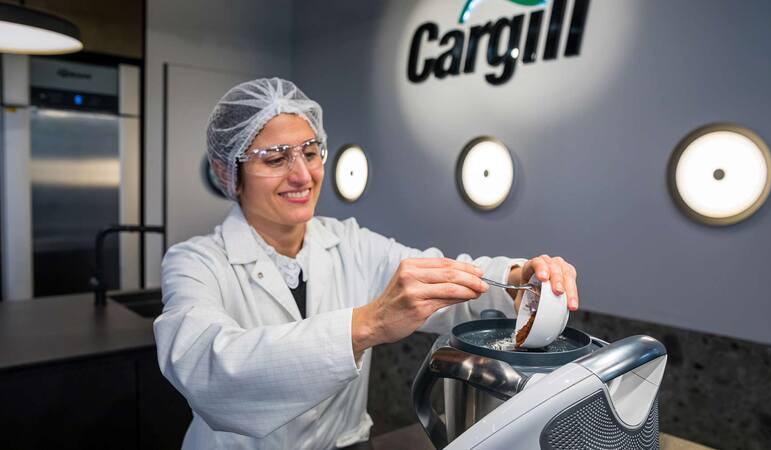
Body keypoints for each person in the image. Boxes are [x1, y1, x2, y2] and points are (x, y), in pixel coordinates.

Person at [153, 78, 580, 450]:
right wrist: (368, 324)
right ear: (229, 173)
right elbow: (204, 367)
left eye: (310, 151)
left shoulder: (349, 242)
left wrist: (517, 279)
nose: (302, 175)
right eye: (276, 158)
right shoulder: (196, 262)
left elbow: (440, 276)